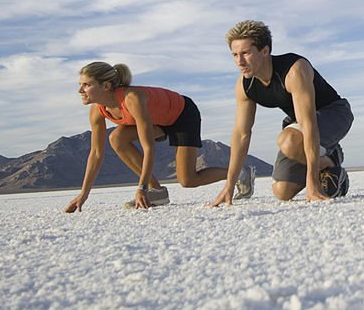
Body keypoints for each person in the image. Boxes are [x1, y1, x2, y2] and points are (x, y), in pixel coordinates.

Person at [210, 20, 352, 205]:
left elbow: (308, 123)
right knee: (282, 191)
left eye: (245, 53)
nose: (239, 61)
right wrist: (229, 186)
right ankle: (334, 170)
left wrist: (312, 183)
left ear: (265, 51)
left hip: (334, 114)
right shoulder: (245, 85)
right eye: (235, 55)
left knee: (288, 140)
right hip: (297, 126)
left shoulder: (294, 69)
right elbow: (241, 135)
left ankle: (329, 161)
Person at [65, 61, 239, 212]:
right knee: (116, 138)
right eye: (80, 84)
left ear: (106, 86)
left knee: (188, 180)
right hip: (160, 121)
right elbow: (96, 153)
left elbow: (148, 147)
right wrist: (84, 194)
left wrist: (141, 188)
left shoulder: (131, 98)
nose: (80, 90)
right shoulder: (97, 109)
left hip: (183, 115)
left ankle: (239, 173)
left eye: (86, 85)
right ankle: (157, 192)